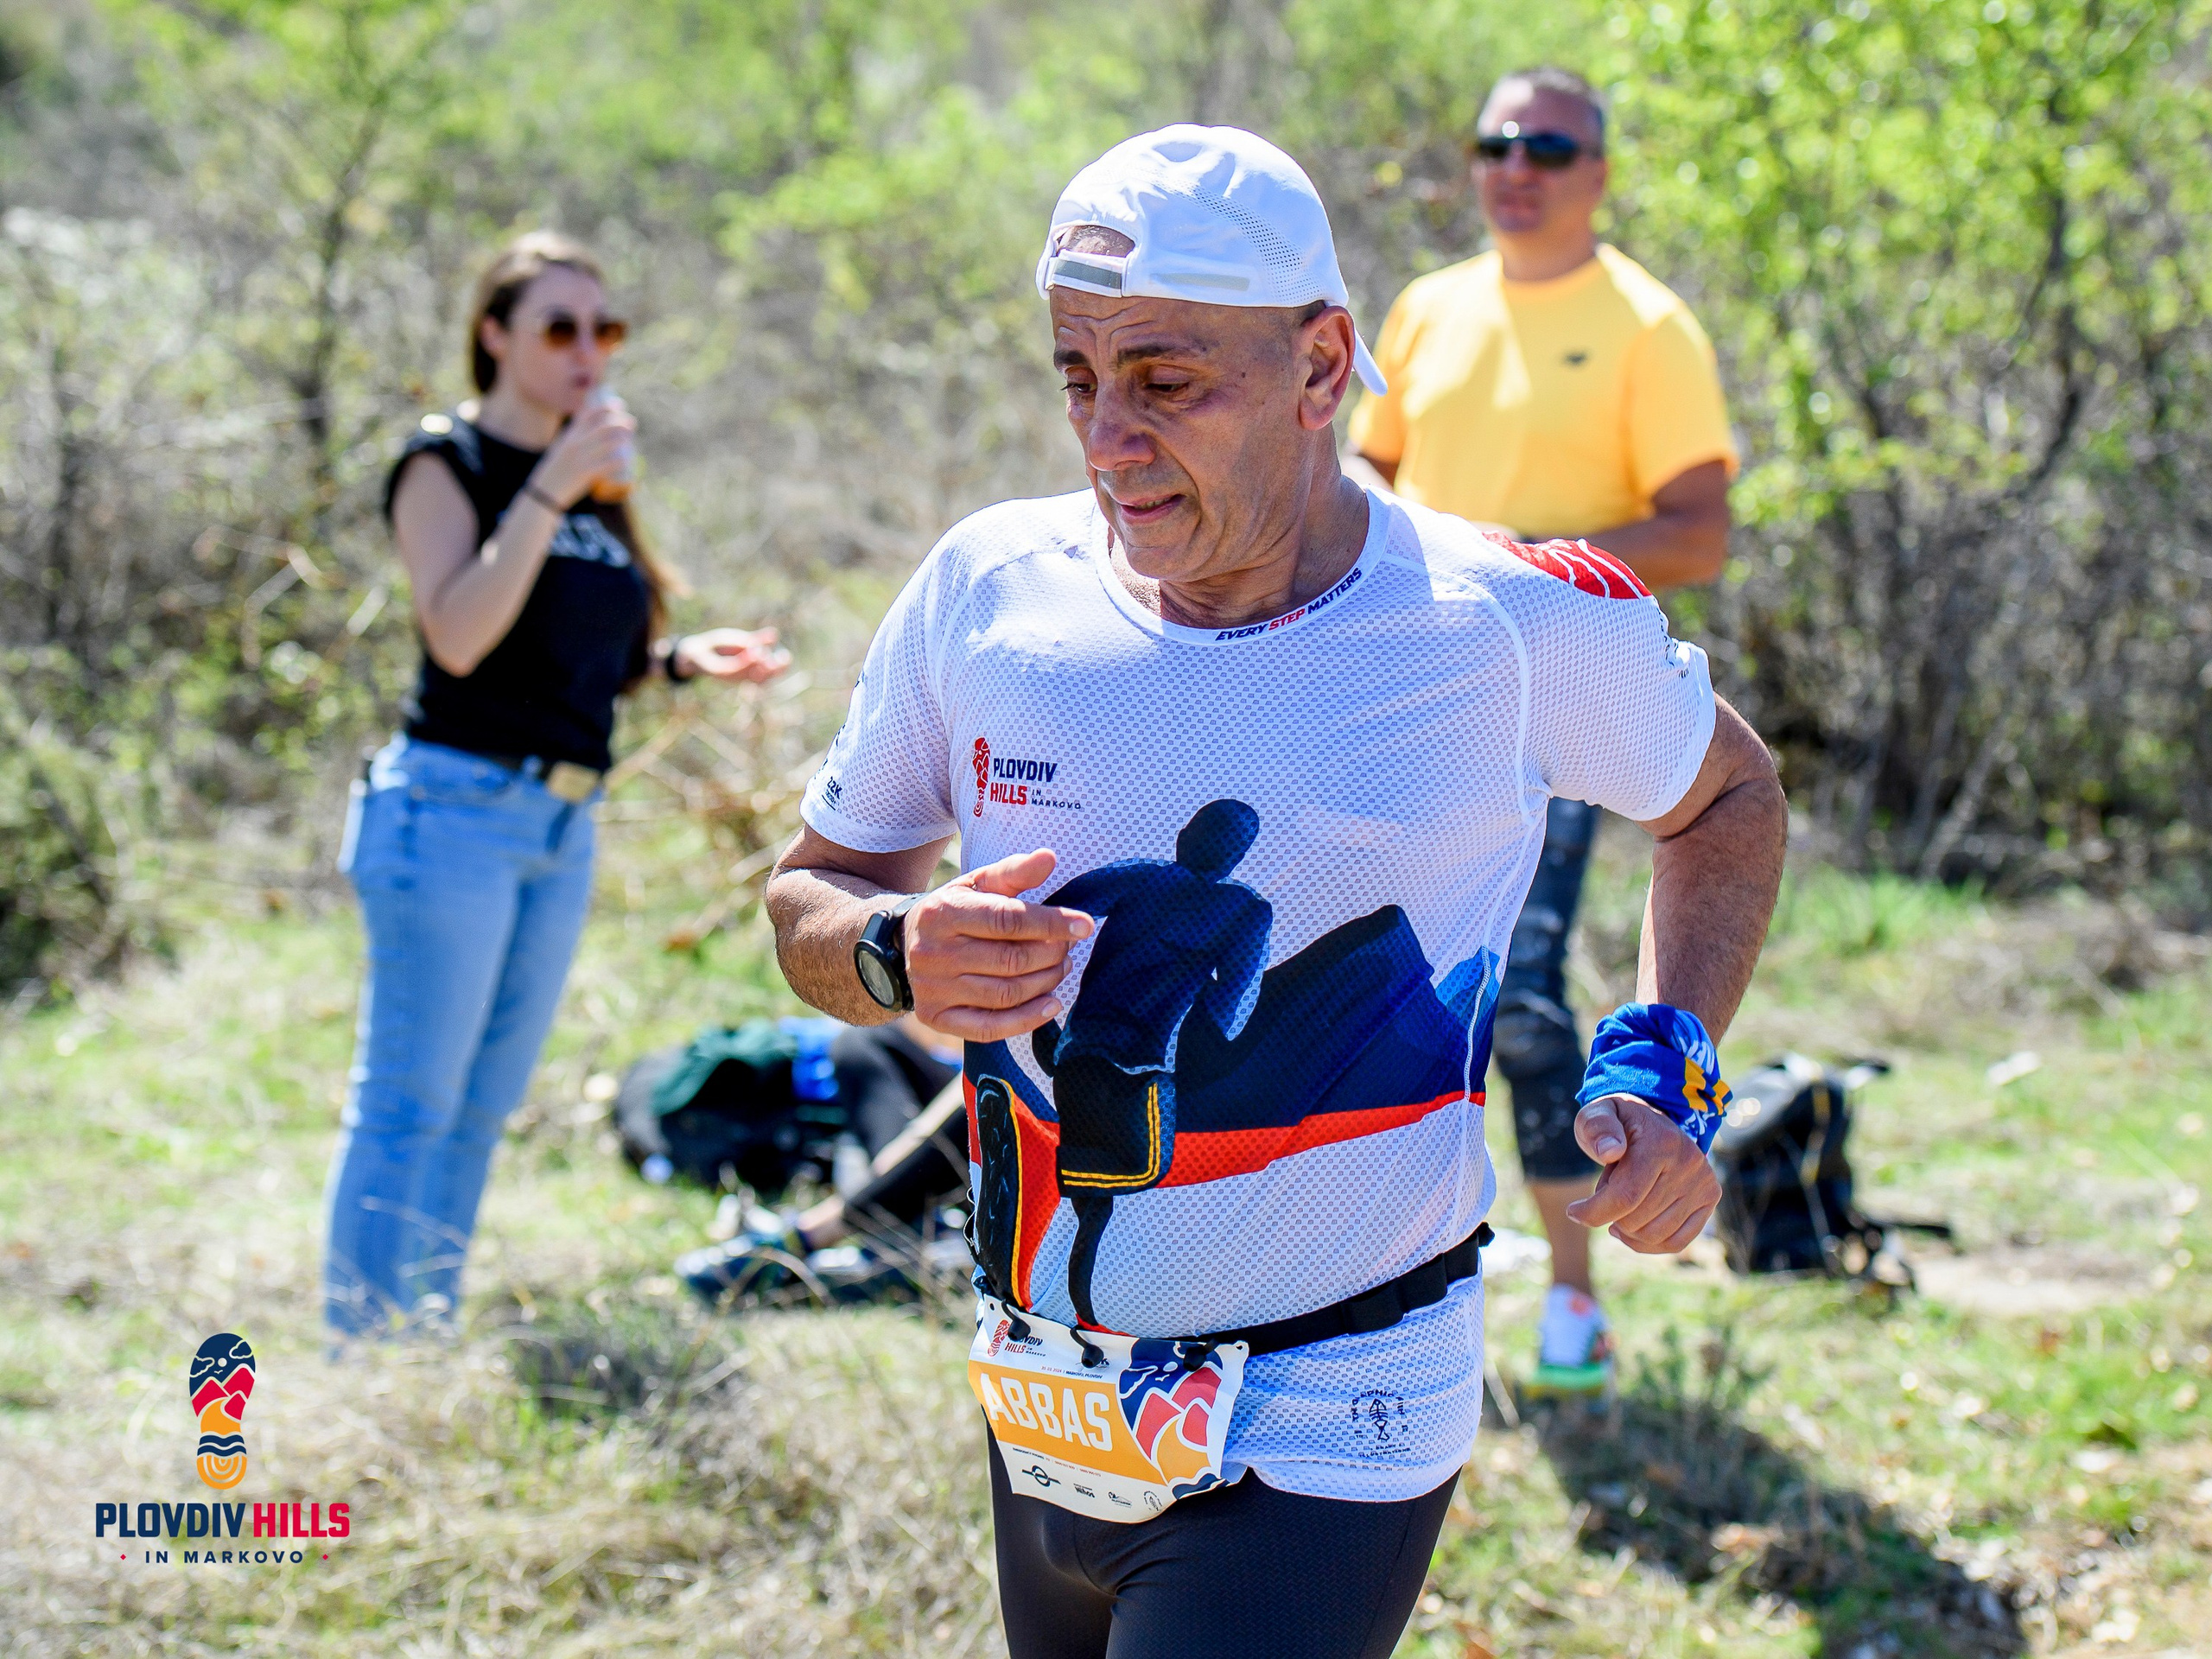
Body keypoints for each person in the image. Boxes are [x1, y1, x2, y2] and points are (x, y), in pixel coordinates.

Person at [765, 126, 1785, 1659]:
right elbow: (813, 896)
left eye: (1166, 383)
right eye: (1076, 377)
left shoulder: (1494, 619)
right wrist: (896, 955)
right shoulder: (988, 589)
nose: (1108, 437)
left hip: (1330, 1404)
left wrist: (1669, 1069)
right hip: (1044, 1394)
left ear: (1322, 368)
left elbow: (1727, 796)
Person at [1348, 66, 1741, 1395]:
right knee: (1375, 975)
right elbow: (1366, 478)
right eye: (1495, 141)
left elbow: (1698, 527)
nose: (1518, 164)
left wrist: (1520, 572)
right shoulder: (1425, 307)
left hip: (1549, 702)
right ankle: (1380, 1284)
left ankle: (1574, 1303)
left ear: (1599, 171)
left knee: (1516, 992)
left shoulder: (1648, 323)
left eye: (1550, 145)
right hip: (1394, 690)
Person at [323, 231, 789, 1339]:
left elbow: (577, 659)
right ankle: (365, 1353)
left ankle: (420, 1331)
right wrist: (549, 484)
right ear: (494, 336)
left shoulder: (589, 486)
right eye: (560, 328)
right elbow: (461, 636)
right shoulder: (451, 467)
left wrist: (681, 660)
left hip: (559, 822)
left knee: (480, 1108)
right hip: (450, 813)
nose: (590, 350)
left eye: (605, 328)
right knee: (409, 1102)